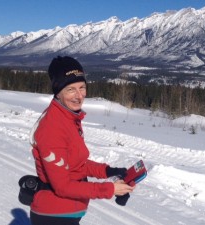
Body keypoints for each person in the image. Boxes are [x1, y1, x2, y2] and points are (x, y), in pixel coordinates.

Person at [29, 56, 135, 225]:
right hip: (54, 217)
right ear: (58, 91)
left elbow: (77, 164)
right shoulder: (53, 128)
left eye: (82, 87)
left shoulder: (69, 118)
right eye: (71, 89)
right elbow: (63, 186)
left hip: (67, 214)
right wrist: (110, 189)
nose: (79, 95)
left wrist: (109, 171)